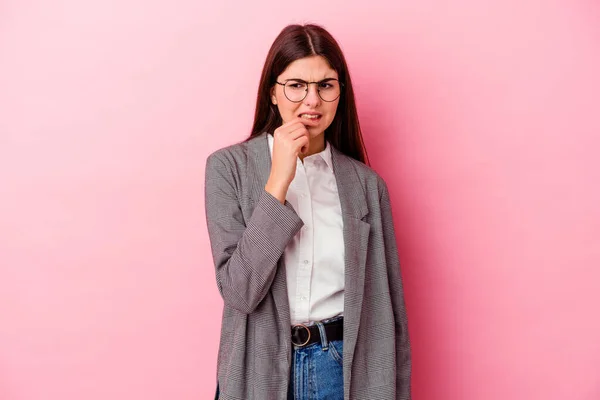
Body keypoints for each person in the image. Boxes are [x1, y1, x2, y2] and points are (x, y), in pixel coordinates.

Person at [204, 23, 411, 400]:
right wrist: (278, 181)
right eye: (296, 85)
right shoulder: (228, 168)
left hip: (341, 368)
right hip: (260, 369)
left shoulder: (367, 186)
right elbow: (239, 292)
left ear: (339, 93)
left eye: (325, 86)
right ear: (273, 91)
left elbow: (388, 311)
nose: (312, 100)